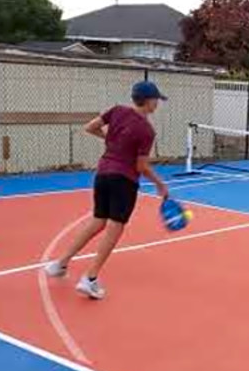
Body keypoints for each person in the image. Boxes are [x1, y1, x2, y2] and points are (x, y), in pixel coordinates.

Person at [44, 81, 169, 299]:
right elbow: (141, 166)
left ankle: (60, 264)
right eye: (156, 99)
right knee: (114, 228)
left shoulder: (117, 111)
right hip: (124, 180)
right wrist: (160, 184)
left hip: (102, 174)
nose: (157, 103)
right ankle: (90, 279)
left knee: (97, 221)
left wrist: (113, 140)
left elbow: (90, 127)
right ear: (149, 101)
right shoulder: (147, 130)